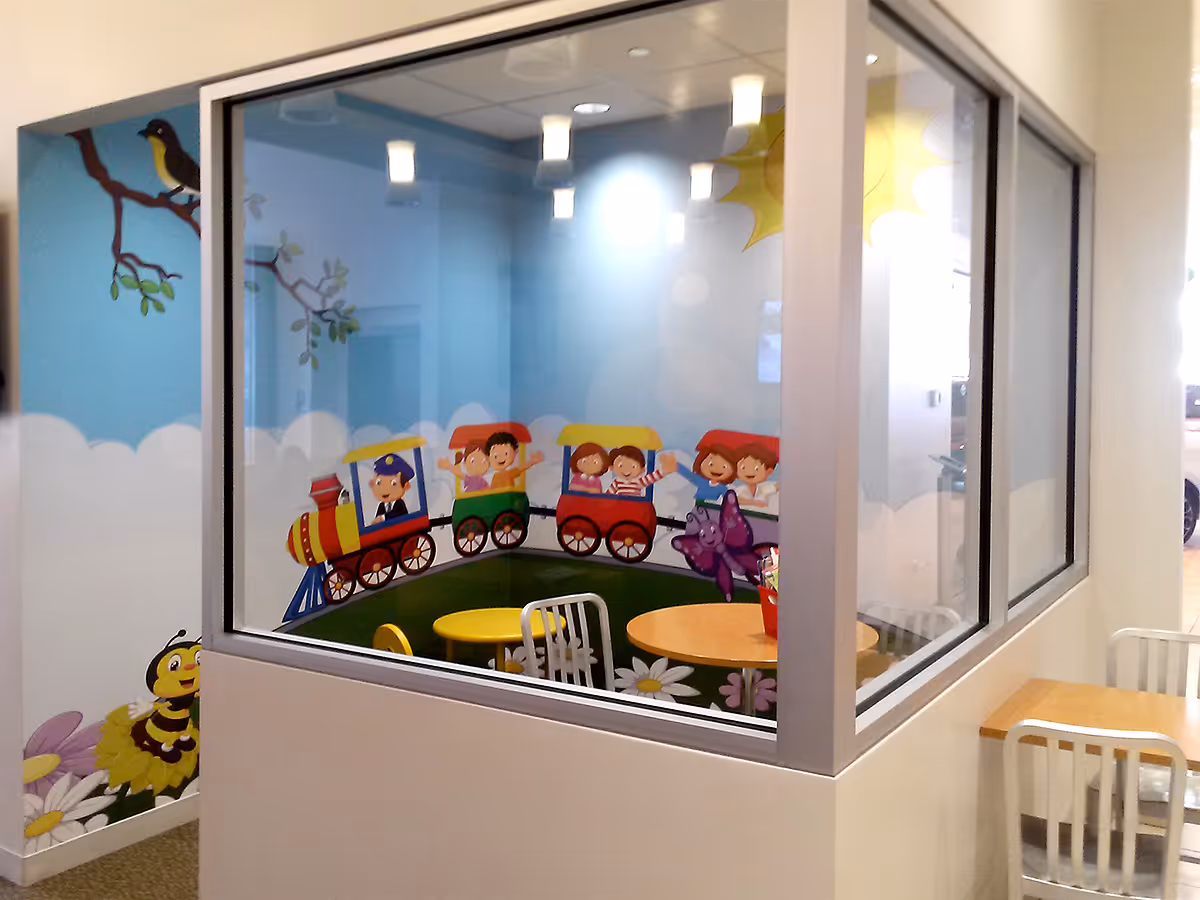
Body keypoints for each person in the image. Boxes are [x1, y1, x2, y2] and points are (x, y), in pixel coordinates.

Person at [673, 442, 738, 502]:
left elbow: (729, 500)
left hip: (713, 509)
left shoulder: (723, 488)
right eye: (711, 464)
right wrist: (675, 465)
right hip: (698, 507)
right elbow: (688, 474)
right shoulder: (701, 481)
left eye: (724, 467)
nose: (716, 469)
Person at [606, 446, 677, 497]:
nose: (626, 470)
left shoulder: (638, 482)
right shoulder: (617, 482)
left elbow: (652, 477)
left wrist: (665, 470)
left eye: (633, 466)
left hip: (636, 508)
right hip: (620, 508)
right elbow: (607, 496)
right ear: (612, 468)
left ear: (642, 469)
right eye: (621, 465)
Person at [369, 453, 414, 524]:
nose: (385, 488)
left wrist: (383, 518)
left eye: (393, 483)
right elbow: (377, 520)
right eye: (379, 483)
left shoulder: (399, 503)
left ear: (406, 486)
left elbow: (397, 515)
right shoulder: (381, 506)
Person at [735, 442, 779, 512]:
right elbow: (734, 499)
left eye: (756, 469)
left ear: (769, 471)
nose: (749, 472)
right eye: (743, 468)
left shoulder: (764, 489)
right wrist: (754, 503)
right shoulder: (741, 489)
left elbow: (776, 487)